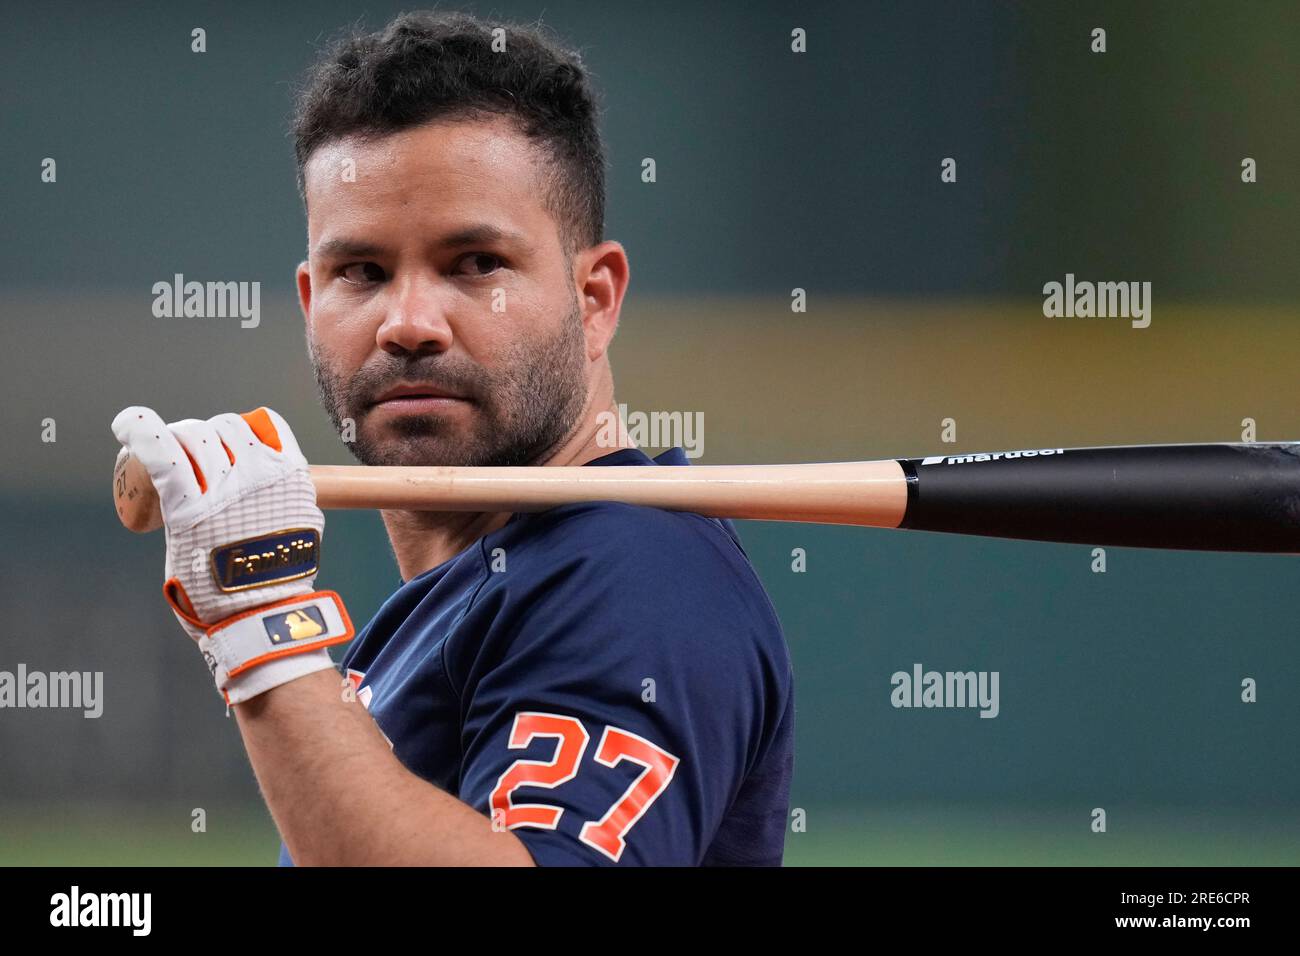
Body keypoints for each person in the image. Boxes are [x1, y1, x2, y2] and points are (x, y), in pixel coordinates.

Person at [111, 9, 793, 866]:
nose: (408, 323)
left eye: (475, 264)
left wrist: (265, 629)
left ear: (595, 299)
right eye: (360, 271)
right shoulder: (450, 610)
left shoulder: (635, 571)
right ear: (308, 302)